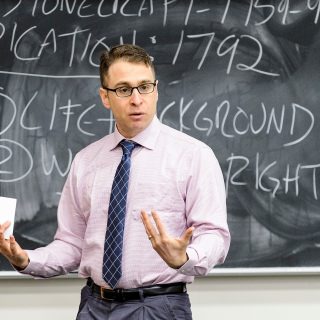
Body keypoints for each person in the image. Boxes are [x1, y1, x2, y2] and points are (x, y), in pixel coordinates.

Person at [0, 44, 230, 319]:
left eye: (144, 86)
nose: (136, 99)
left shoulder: (193, 155)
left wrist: (186, 257)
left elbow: (215, 235)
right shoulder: (86, 161)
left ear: (156, 90)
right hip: (93, 306)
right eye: (123, 89)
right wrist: (26, 260)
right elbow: (72, 245)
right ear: (105, 97)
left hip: (158, 306)